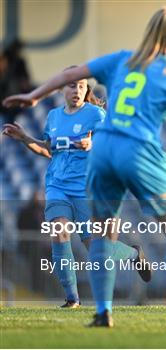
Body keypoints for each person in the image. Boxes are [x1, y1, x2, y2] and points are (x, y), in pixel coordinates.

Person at [3, 6, 166, 327]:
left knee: (102, 235)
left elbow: (69, 73)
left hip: (103, 150)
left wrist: (34, 95)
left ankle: (102, 313)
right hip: (137, 149)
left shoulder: (122, 59)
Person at [3, 76, 148, 309]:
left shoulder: (95, 115)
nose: (77, 90)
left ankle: (133, 255)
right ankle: (72, 298)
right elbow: (47, 149)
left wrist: (93, 144)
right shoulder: (54, 117)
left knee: (95, 248)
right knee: (59, 233)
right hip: (57, 186)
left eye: (82, 86)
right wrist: (24, 138)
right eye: (72, 85)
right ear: (62, 89)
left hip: (85, 188)